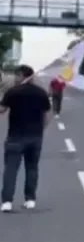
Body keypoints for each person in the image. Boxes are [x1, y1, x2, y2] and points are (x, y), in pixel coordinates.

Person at [0, 65, 52, 212]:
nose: (15, 79)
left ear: (23, 75)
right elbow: (48, 114)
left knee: (11, 169)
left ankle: (7, 202)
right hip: (35, 137)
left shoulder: (13, 92)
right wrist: (41, 129)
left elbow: (2, 110)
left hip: (15, 136)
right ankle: (30, 200)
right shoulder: (41, 93)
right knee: (32, 168)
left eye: (17, 75)